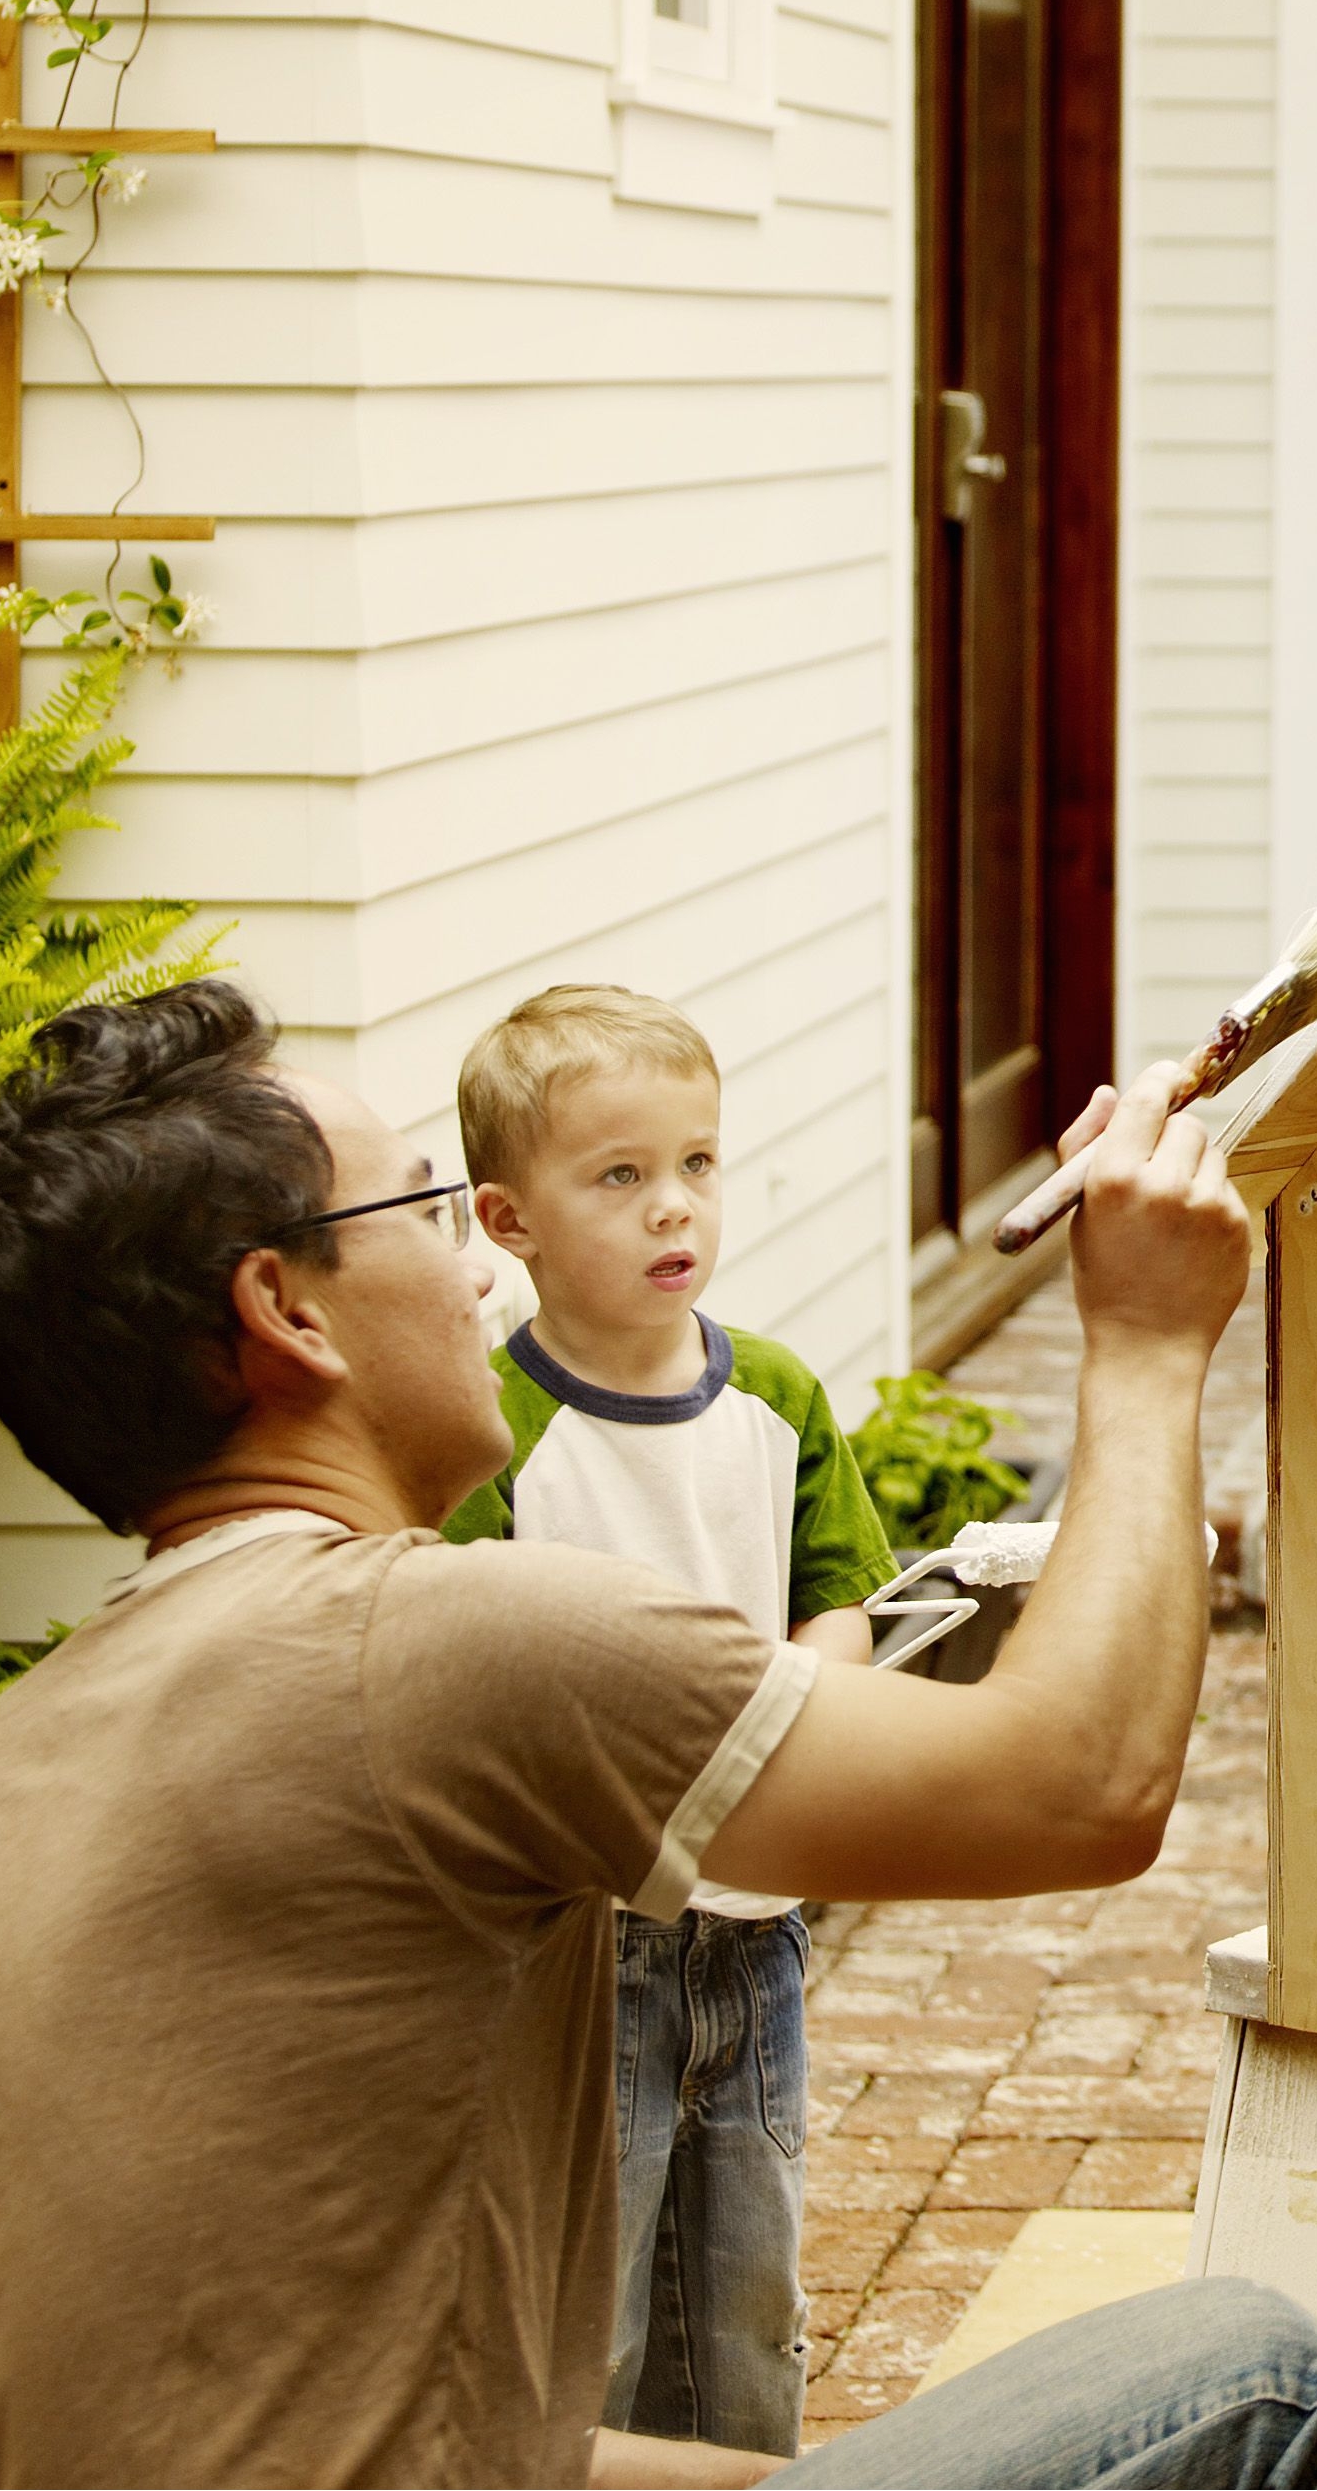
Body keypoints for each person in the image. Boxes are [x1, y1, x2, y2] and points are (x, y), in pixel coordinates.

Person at [0, 979, 1317, 2491]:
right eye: (428, 1212)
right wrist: (1142, 1336)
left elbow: (381, 2435)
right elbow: (1082, 1785)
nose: (478, 1275)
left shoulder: (17, 1748)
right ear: (287, 1313)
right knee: (1268, 2380)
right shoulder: (446, 1643)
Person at [439, 985, 901, 2457]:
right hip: (592, 1941)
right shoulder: (495, 1432)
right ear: (508, 1221)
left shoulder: (769, 1395)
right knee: (603, 2285)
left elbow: (841, 1603)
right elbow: (466, 1667)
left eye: (696, 1163)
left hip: (757, 1930)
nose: (672, 1208)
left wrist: (810, 1720)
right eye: (620, 1176)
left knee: (750, 2281)